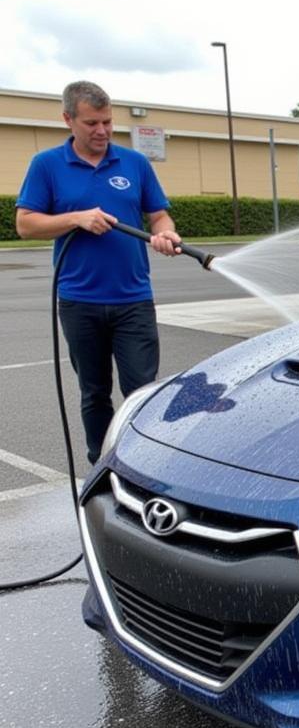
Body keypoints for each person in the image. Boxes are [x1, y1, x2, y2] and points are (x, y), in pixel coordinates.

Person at [15, 80, 182, 464]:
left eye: (107, 122)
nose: (102, 131)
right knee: (94, 392)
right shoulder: (47, 166)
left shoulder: (134, 163)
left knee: (142, 390)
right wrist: (76, 218)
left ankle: (144, 462)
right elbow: (26, 224)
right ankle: (101, 465)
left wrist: (165, 232)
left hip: (133, 300)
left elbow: (158, 214)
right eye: (92, 123)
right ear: (68, 120)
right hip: (80, 302)